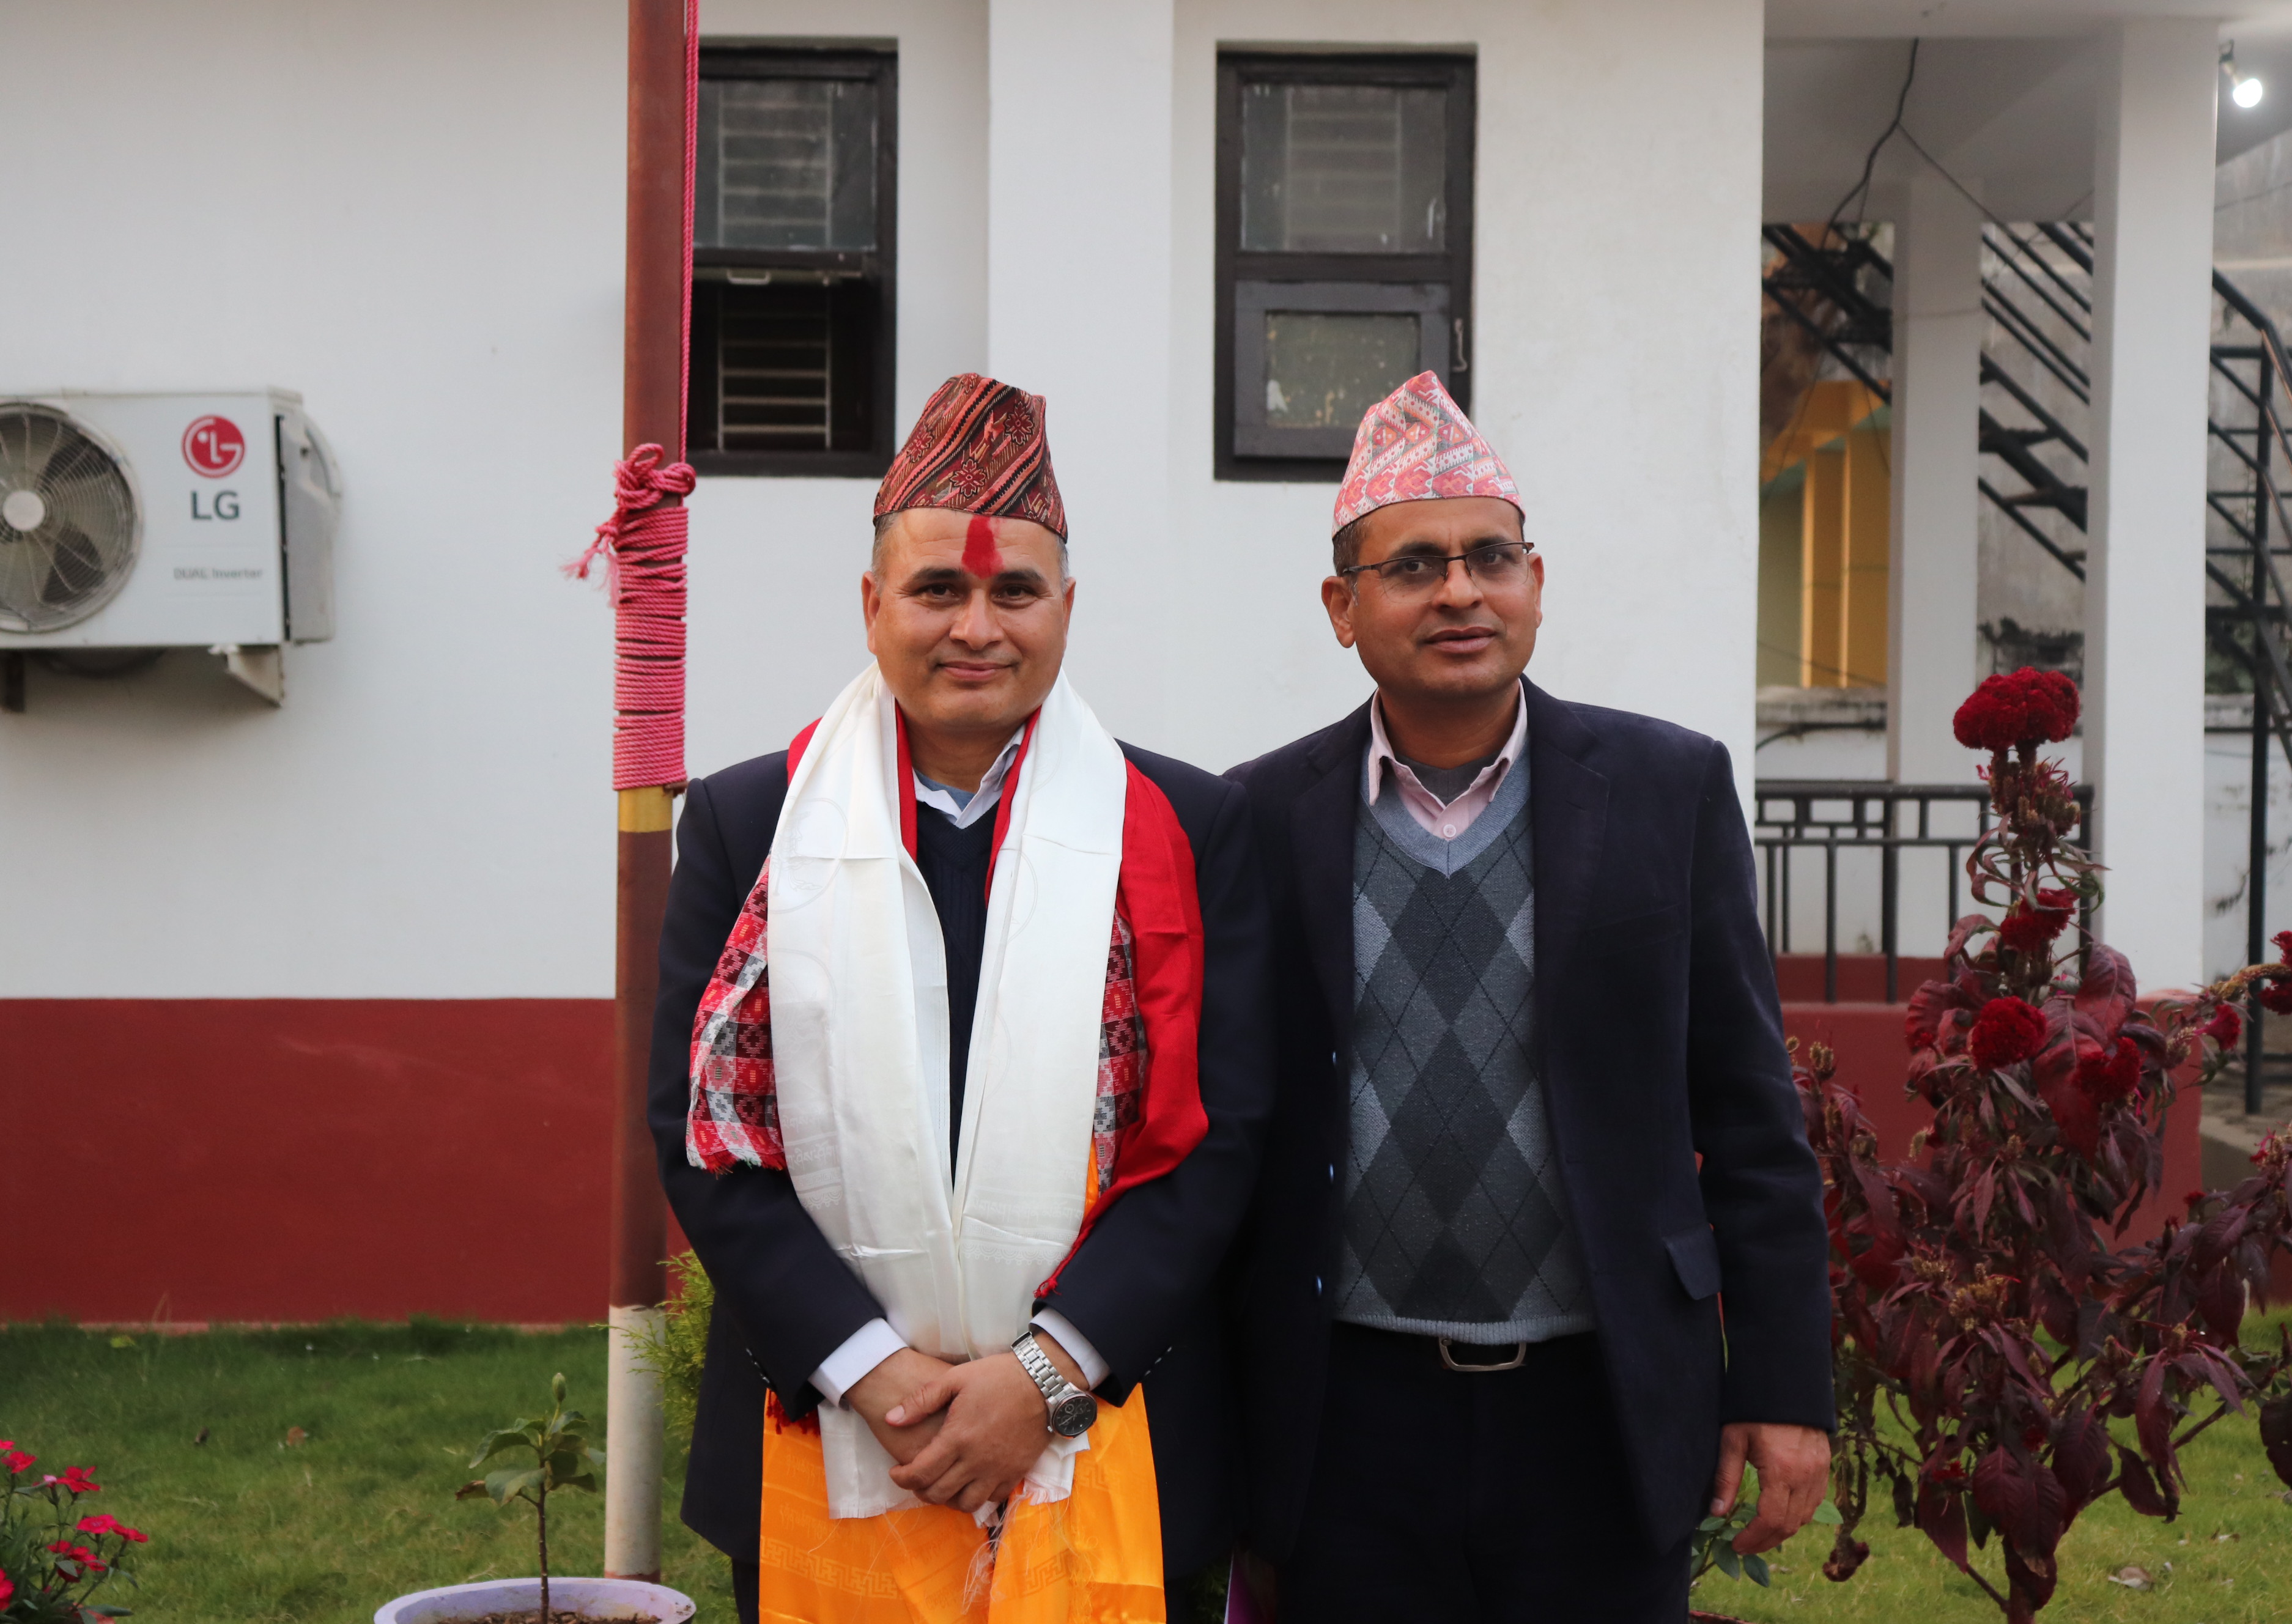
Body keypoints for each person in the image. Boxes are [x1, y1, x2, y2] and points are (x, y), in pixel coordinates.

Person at [647, 373, 1271, 1623]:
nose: (976, 627)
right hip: (827, 1413)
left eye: (1014, 592)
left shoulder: (1185, 824)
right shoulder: (751, 821)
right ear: (872, 605)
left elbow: (1221, 1136)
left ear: (1067, 609)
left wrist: (1048, 1372)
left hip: (1112, 1415)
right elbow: (702, 1131)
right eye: (938, 588)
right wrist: (871, 1370)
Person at [1225, 372, 1833, 1621]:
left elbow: (1752, 1116)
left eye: (1490, 558)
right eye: (1414, 566)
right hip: (1345, 1417)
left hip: (1601, 1400)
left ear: (1536, 584)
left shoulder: (1665, 790)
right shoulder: (1259, 815)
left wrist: (1782, 1386)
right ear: (1343, 608)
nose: (1461, 591)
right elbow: (1227, 1126)